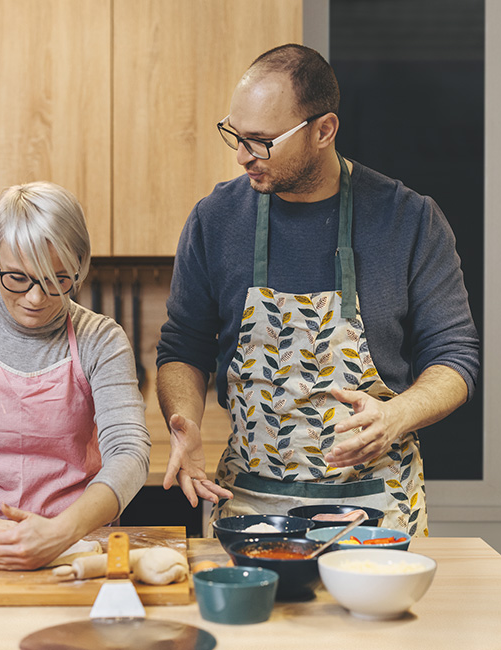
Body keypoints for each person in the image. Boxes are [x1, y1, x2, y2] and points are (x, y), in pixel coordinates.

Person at [156, 44, 479, 537]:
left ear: (323, 130)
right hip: (251, 509)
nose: (243, 156)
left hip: (376, 511)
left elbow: (455, 360)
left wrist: (396, 416)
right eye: (236, 136)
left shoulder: (409, 220)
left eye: (261, 141)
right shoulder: (215, 220)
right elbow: (183, 347)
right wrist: (185, 419)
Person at [0, 181, 150, 569]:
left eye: (57, 280)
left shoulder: (101, 338)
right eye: (17, 278)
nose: (36, 299)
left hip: (77, 545)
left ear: (79, 263)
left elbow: (129, 453)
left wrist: (61, 531)